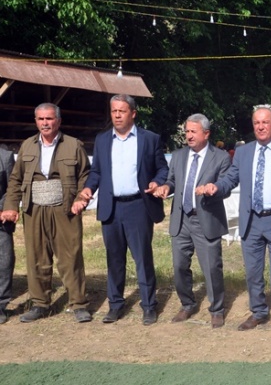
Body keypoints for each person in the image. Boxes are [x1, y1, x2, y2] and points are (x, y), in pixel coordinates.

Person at [201, 107, 271, 336]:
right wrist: (216, 187)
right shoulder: (243, 152)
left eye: (265, 122)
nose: (260, 127)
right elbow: (230, 179)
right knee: (252, 271)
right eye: (256, 123)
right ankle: (259, 311)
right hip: (251, 220)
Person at [78, 94, 168, 326]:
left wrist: (157, 182)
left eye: (122, 111)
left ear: (133, 114)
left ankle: (149, 306)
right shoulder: (102, 140)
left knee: (142, 259)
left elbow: (162, 169)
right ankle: (115, 305)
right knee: (114, 259)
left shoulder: (150, 139)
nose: (117, 115)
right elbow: (96, 172)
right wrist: (88, 188)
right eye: (114, 111)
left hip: (139, 206)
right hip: (111, 207)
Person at [1, 103, 92, 323]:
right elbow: (16, 179)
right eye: (41, 119)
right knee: (37, 257)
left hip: (65, 209)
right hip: (34, 209)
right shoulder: (27, 146)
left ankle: (78, 304)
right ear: (36, 121)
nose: (45, 123)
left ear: (58, 121)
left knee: (70, 257)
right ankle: (40, 304)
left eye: (49, 119)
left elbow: (85, 175)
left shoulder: (73, 145)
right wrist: (10, 206)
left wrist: (81, 199)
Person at [153, 114, 230, 328]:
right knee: (179, 266)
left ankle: (217, 309)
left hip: (206, 218)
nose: (189, 136)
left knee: (211, 267)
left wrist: (214, 189)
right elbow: (172, 180)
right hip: (181, 219)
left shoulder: (221, 157)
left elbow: (225, 185)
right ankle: (187, 304)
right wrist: (166, 187)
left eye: (193, 131)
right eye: (187, 131)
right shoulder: (178, 156)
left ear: (206, 134)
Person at [0, 146, 16, 324]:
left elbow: (11, 188)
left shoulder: (5, 156)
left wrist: (2, 210)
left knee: (4, 260)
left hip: (1, 218)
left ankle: (1, 304)